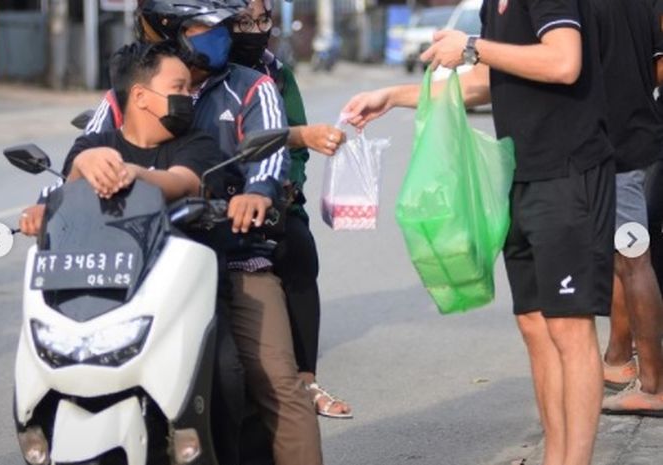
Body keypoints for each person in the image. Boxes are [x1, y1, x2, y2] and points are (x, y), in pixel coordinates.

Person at [342, 1, 615, 464]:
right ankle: (556, 455)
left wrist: (471, 45)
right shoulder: (495, 6)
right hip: (521, 173)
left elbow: (564, 62)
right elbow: (493, 82)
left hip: (568, 173)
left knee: (569, 325)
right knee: (534, 324)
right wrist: (393, 95)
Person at [76, 2, 324, 464]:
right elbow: (81, 159)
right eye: (207, 26)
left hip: (233, 256)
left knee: (272, 381)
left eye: (225, 26)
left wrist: (257, 193)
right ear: (172, 32)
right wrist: (49, 202)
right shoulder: (130, 92)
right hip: (138, 264)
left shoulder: (251, 88)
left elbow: (268, 155)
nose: (223, 35)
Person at [228, 0, 352, 418]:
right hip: (220, 198)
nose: (255, 28)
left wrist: (288, 187)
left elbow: (295, 147)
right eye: (244, 21)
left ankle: (306, 379)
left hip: (274, 197)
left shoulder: (276, 73)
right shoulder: (207, 74)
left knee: (299, 252)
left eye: (262, 19)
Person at [19, 41, 223, 230]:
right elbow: (70, 195)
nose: (188, 97)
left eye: (189, 89)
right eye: (179, 87)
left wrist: (135, 174)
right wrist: (81, 166)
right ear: (140, 96)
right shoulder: (91, 145)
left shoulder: (199, 143)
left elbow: (182, 184)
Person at [594, 0, 663, 416]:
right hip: (633, 137)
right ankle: (619, 359)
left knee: (634, 260)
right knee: (626, 257)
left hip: (617, 145)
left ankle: (653, 384)